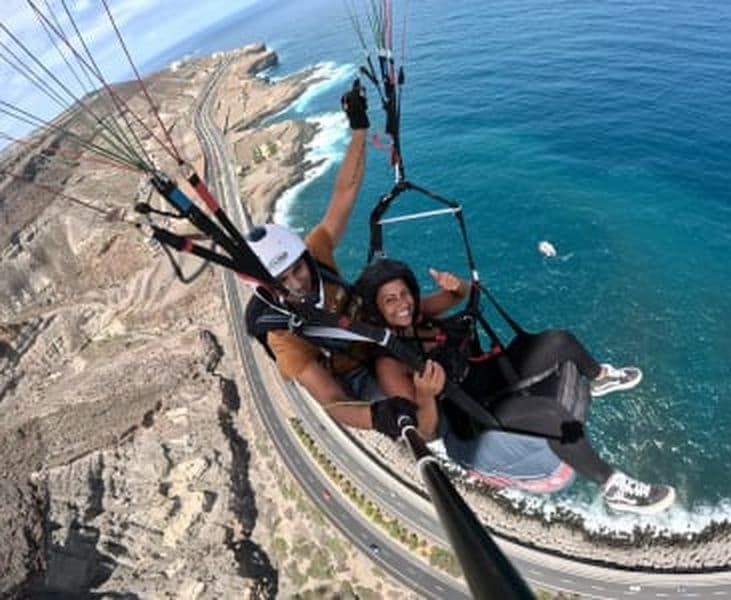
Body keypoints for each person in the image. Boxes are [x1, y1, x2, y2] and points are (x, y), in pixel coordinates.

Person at [353, 258, 677, 514]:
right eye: (390, 300)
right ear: (378, 310)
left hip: (487, 373)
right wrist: (425, 395)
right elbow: (424, 433)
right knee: (552, 416)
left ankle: (600, 379)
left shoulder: (418, 314)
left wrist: (456, 286)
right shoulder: (390, 362)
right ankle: (613, 485)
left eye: (404, 293)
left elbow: (461, 294)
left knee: (558, 341)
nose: (402, 304)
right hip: (472, 410)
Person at [244, 80, 422, 440]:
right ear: (270, 285)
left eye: (297, 269)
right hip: (353, 372)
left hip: (373, 333)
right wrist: (377, 416)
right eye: (284, 280)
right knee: (416, 416)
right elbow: (330, 398)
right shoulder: (282, 334)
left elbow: (344, 193)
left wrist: (358, 129)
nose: (297, 282)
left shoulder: (317, 253)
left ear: (305, 258)